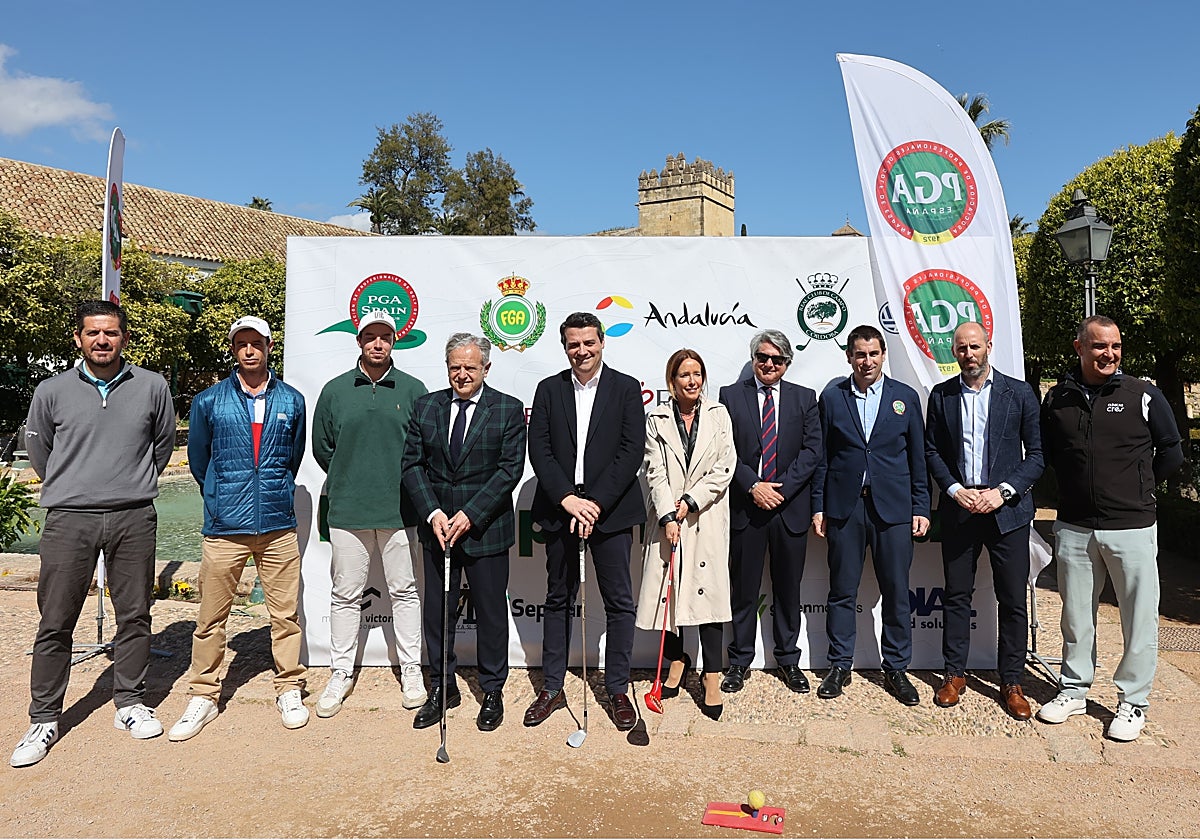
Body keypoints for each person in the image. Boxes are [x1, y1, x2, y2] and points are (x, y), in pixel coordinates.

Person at [11, 300, 175, 768]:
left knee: (135, 613)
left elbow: (161, 445)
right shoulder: (51, 390)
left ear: (124, 337)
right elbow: (39, 447)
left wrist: (128, 484)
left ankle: (130, 702)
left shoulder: (151, 386)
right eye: (93, 333)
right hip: (69, 518)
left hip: (132, 516)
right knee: (55, 620)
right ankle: (43, 718)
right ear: (79, 339)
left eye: (111, 332)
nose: (102, 340)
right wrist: (72, 486)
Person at [1037, 315, 1183, 740]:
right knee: (1075, 615)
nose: (1110, 354)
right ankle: (1073, 689)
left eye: (1116, 346)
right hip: (1075, 526)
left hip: (1132, 526)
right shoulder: (1057, 399)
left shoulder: (1143, 394)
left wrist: (1139, 488)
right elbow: (1046, 454)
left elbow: (1171, 451)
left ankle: (1133, 702)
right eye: (1100, 346)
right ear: (1079, 347)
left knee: (1138, 617)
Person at [168, 316, 308, 741]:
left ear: (269, 346)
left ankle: (289, 687)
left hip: (278, 525)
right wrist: (222, 495)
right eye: (241, 344)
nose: (249, 351)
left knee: (284, 616)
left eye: (256, 343)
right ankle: (204, 695)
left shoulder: (292, 400)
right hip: (225, 526)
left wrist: (272, 489)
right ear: (233, 349)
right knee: (210, 619)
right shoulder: (209, 401)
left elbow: (293, 456)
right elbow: (199, 460)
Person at [523, 312, 646, 731]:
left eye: (588, 342)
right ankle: (552, 687)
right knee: (558, 599)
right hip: (561, 510)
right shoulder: (548, 389)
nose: (582, 351)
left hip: (609, 512)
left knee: (619, 603)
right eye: (574, 344)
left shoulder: (626, 388)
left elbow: (630, 452)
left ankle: (617, 689)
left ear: (602, 342)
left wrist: (592, 502)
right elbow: (538, 449)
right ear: (564, 347)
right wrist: (568, 499)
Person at [402, 333, 526, 731]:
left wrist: (470, 514)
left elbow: (509, 470)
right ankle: (442, 687)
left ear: (486, 368)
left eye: (470, 367)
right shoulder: (426, 407)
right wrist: (434, 512)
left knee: (490, 614)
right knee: (438, 613)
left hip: (485, 530)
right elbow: (412, 465)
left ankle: (492, 689)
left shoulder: (507, 409)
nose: (462, 374)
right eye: (455, 367)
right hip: (438, 531)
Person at [309, 310, 428, 718]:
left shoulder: (413, 389)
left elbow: (423, 449)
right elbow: (323, 448)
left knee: (406, 592)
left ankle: (412, 669)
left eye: (385, 338)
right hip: (348, 509)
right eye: (370, 337)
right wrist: (352, 476)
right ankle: (340, 672)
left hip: (401, 511)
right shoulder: (335, 390)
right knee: (345, 595)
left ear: (394, 342)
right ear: (359, 341)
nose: (378, 344)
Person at [924, 321, 1044, 720]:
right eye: (961, 348)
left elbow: (1037, 456)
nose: (969, 354)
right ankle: (954, 674)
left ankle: (1011, 680)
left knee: (1011, 600)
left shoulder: (1020, 392)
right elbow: (932, 453)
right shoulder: (941, 396)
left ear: (989, 346)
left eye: (975, 346)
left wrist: (1002, 492)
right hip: (960, 508)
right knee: (956, 596)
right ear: (953, 353)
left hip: (1006, 512)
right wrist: (956, 490)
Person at [812, 324, 930, 705]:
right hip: (846, 508)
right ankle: (839, 665)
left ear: (883, 356)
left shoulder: (905, 397)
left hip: (892, 509)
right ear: (849, 357)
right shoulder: (832, 398)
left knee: (896, 591)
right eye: (860, 354)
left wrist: (920, 506)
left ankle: (896, 667)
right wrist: (819, 505)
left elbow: (917, 458)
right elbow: (823, 459)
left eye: (874, 354)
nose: (867, 361)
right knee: (842, 590)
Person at [717, 330, 822, 696]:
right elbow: (725, 449)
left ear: (787, 364)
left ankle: (789, 661)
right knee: (743, 590)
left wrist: (781, 490)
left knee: (787, 590)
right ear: (753, 359)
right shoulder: (730, 396)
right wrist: (753, 486)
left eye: (777, 360)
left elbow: (812, 452)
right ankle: (739, 661)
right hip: (748, 505)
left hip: (789, 508)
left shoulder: (805, 398)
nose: (768, 365)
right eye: (762, 357)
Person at [638, 349, 737, 719]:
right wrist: (667, 514)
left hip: (705, 519)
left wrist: (690, 502)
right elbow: (654, 471)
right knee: (673, 600)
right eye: (684, 375)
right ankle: (677, 662)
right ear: (672, 381)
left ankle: (711, 676)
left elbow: (726, 467)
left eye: (697, 374)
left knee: (710, 603)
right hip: (669, 524)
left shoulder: (718, 414)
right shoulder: (657, 419)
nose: (692, 381)